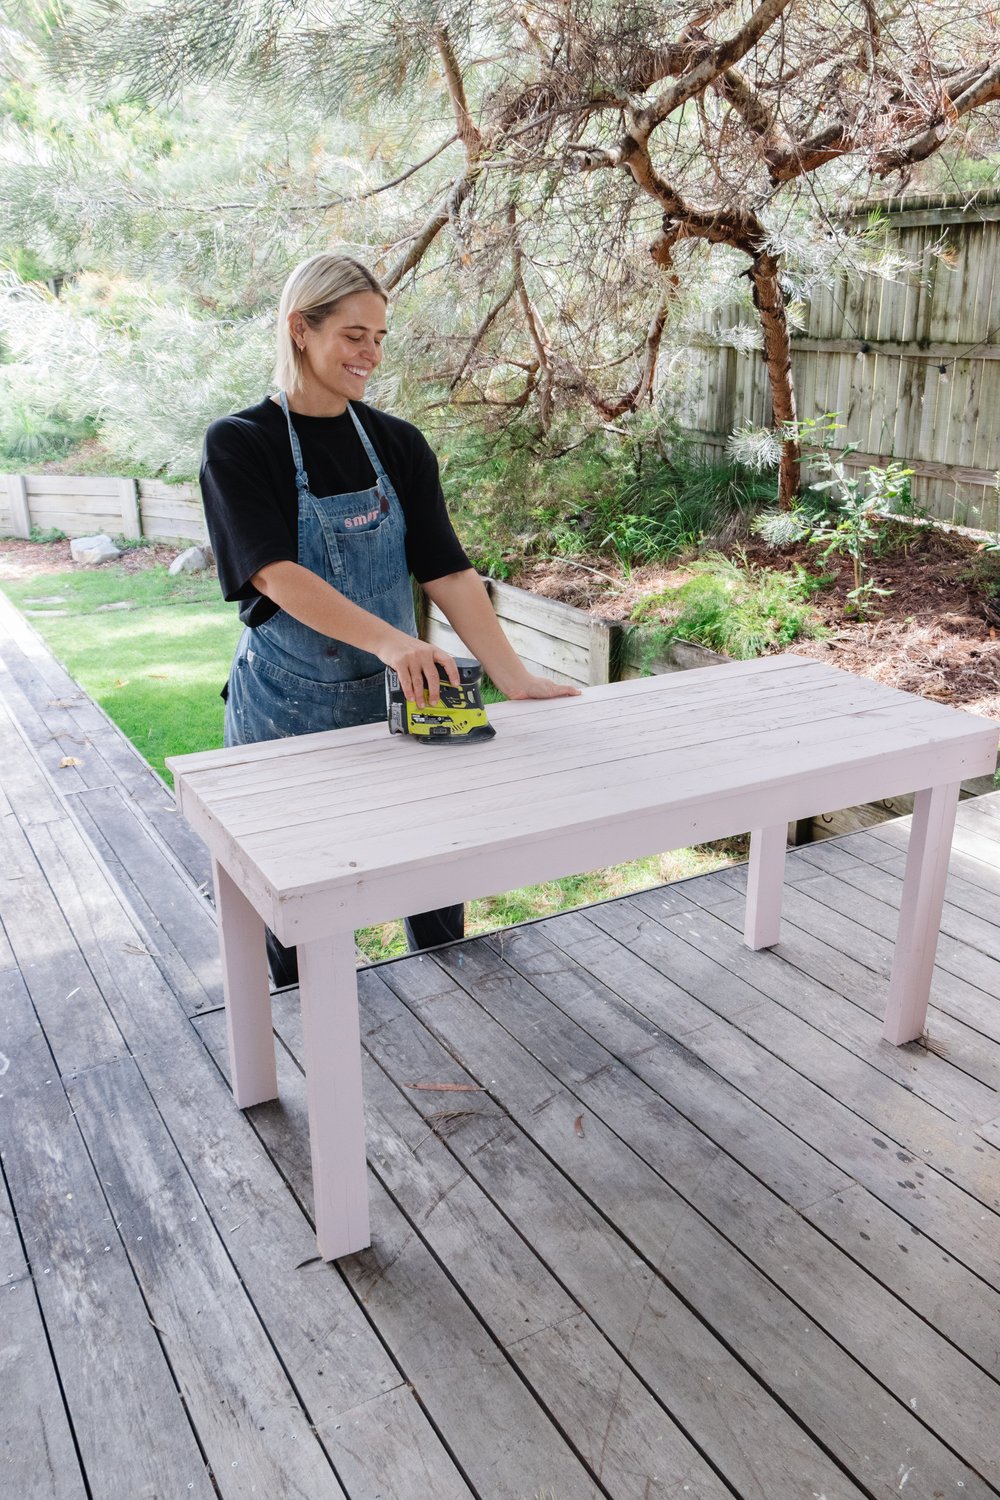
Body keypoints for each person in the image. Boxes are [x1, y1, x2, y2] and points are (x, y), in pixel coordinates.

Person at [200, 252, 579, 987]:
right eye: (352, 335)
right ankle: (296, 1025)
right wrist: (393, 641)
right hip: (289, 707)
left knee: (436, 868)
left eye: (379, 337)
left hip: (410, 694)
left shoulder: (398, 443)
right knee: (298, 896)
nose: (370, 354)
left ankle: (451, 1008)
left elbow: (448, 569)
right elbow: (275, 574)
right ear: (299, 331)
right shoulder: (240, 443)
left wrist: (514, 677)